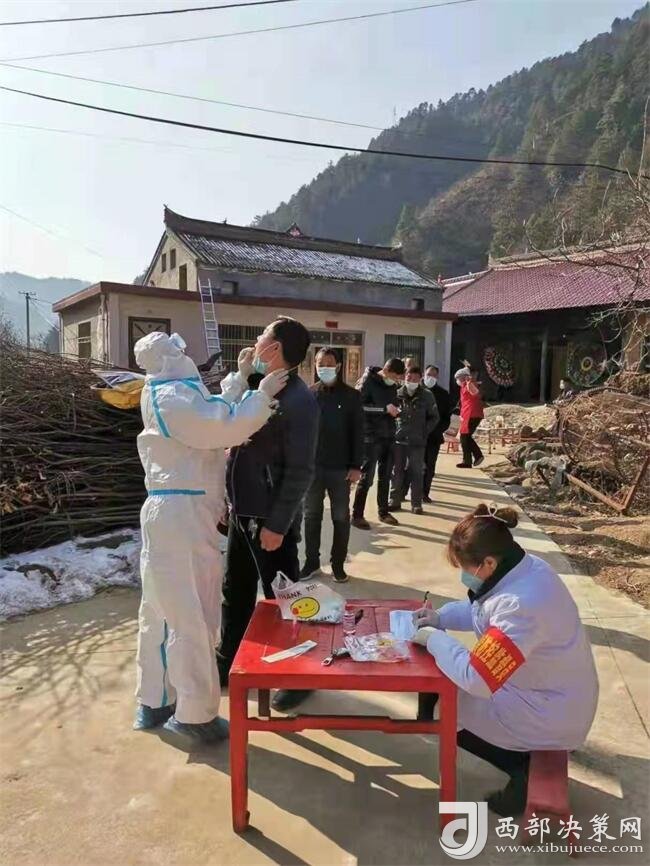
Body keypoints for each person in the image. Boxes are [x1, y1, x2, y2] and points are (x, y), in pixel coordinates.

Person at [133, 331, 287, 745]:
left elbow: (210, 409)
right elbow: (221, 426)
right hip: (184, 516)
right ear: (170, 356)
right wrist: (260, 397)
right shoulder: (172, 397)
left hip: (171, 511)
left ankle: (154, 699)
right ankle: (195, 714)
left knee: (160, 610)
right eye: (179, 349)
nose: (185, 353)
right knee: (194, 613)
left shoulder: (166, 391)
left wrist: (239, 379)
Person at [412, 503, 598, 815]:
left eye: (466, 569)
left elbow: (478, 679)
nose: (464, 576)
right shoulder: (525, 569)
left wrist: (434, 639)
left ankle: (521, 769)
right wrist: (439, 617)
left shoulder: (521, 606)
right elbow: (482, 611)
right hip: (549, 690)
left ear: (488, 562)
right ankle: (518, 758)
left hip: (549, 711)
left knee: (452, 710)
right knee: (449, 673)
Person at [218, 317, 319, 713]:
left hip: (270, 520)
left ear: (274, 348)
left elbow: (301, 470)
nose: (256, 340)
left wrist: (278, 524)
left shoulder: (298, 399)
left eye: (261, 335)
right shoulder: (260, 389)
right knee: (235, 591)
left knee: (286, 600)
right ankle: (228, 660)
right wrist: (229, 501)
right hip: (242, 512)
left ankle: (298, 675)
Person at [302, 347, 363, 583]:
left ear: (338, 366)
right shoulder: (309, 394)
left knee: (340, 516)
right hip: (313, 468)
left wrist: (356, 465)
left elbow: (358, 433)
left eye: (329, 364)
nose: (324, 368)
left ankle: (338, 564)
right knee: (311, 516)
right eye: (320, 364)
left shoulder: (351, 396)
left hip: (340, 469)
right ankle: (311, 562)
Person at [351, 357, 405, 529]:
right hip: (370, 436)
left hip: (388, 434)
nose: (396, 381)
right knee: (367, 477)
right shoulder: (367, 381)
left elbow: (392, 404)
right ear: (387, 371)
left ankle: (383, 511)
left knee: (386, 476)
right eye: (395, 377)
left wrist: (396, 410)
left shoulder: (392, 385)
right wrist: (383, 409)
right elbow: (358, 407)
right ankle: (357, 515)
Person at [388, 366, 438, 514]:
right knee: (397, 471)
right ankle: (394, 500)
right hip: (399, 439)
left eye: (415, 378)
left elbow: (434, 417)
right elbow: (389, 414)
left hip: (417, 441)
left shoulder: (427, 395)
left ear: (420, 379)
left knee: (416, 472)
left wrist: (424, 431)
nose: (411, 381)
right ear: (405, 377)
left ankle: (416, 503)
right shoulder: (397, 394)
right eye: (409, 377)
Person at [422, 364, 452, 502]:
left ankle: (424, 493)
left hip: (434, 436)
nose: (430, 377)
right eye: (429, 374)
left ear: (437, 376)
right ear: (424, 374)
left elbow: (446, 418)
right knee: (413, 466)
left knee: (429, 466)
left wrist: (438, 429)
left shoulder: (443, 394)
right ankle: (404, 492)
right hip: (416, 436)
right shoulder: (417, 390)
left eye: (433, 375)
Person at [456, 366, 484, 468]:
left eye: (458, 378)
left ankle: (474, 457)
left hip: (472, 414)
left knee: (465, 437)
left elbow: (474, 392)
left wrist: (470, 382)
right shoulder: (463, 386)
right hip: (468, 414)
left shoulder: (469, 384)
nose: (457, 380)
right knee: (465, 437)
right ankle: (471, 458)